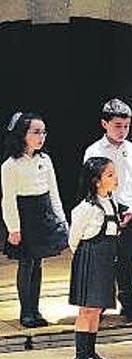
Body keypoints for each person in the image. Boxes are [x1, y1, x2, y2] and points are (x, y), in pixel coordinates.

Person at [83, 98, 132, 321]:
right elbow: (90, 187)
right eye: (118, 126)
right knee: (102, 260)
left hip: (129, 212)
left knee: (127, 260)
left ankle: (128, 301)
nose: (123, 131)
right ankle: (98, 303)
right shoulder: (94, 151)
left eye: (126, 126)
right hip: (103, 213)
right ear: (105, 124)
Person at [2, 112, 68, 328]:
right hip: (24, 216)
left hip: (43, 214)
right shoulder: (10, 165)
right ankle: (26, 311)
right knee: (27, 263)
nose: (41, 137)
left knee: (38, 264)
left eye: (43, 132)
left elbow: (54, 193)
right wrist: (13, 228)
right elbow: (8, 200)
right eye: (36, 132)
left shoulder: (45, 160)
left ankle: (36, 309)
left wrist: (61, 220)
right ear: (23, 134)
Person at [68, 156, 120, 359]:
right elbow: (74, 238)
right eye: (110, 175)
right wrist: (86, 259)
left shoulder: (111, 202)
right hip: (90, 259)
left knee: (97, 309)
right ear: (96, 181)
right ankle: (81, 357)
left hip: (106, 260)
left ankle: (91, 352)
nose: (115, 178)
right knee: (87, 310)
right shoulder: (87, 208)